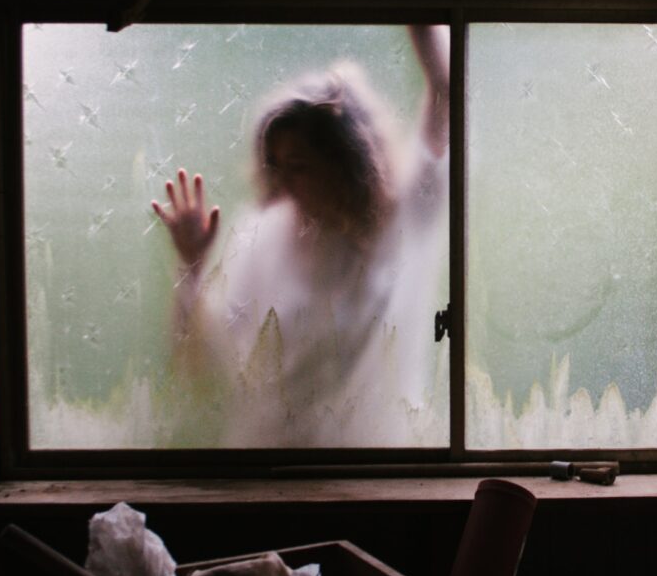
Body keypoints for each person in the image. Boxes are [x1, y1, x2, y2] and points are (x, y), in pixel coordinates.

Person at [151, 25, 450, 446]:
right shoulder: (261, 233)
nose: (284, 184)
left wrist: (428, 16)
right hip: (263, 462)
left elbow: (445, 95)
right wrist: (192, 264)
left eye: (299, 166)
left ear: (344, 162)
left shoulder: (400, 223)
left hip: (372, 472)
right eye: (276, 166)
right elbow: (203, 362)